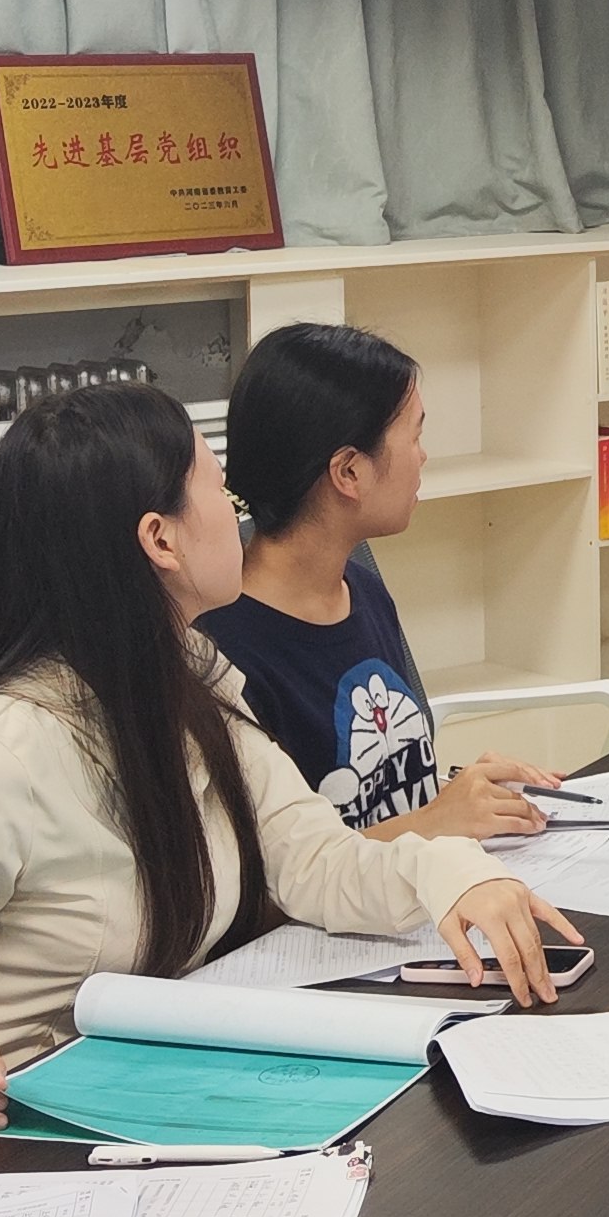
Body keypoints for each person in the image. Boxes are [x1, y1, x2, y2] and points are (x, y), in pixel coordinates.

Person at [0, 382, 580, 1147]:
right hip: (8, 1139)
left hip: (144, 1101)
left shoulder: (191, 677)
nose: (239, 516)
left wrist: (455, 873)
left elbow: (315, 862)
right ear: (160, 540)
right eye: (218, 493)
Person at [199, 322, 551, 843]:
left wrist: (459, 795)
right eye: (415, 436)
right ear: (349, 472)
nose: (423, 456)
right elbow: (275, 873)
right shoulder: (223, 657)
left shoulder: (360, 590)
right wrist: (434, 821)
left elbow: (386, 804)